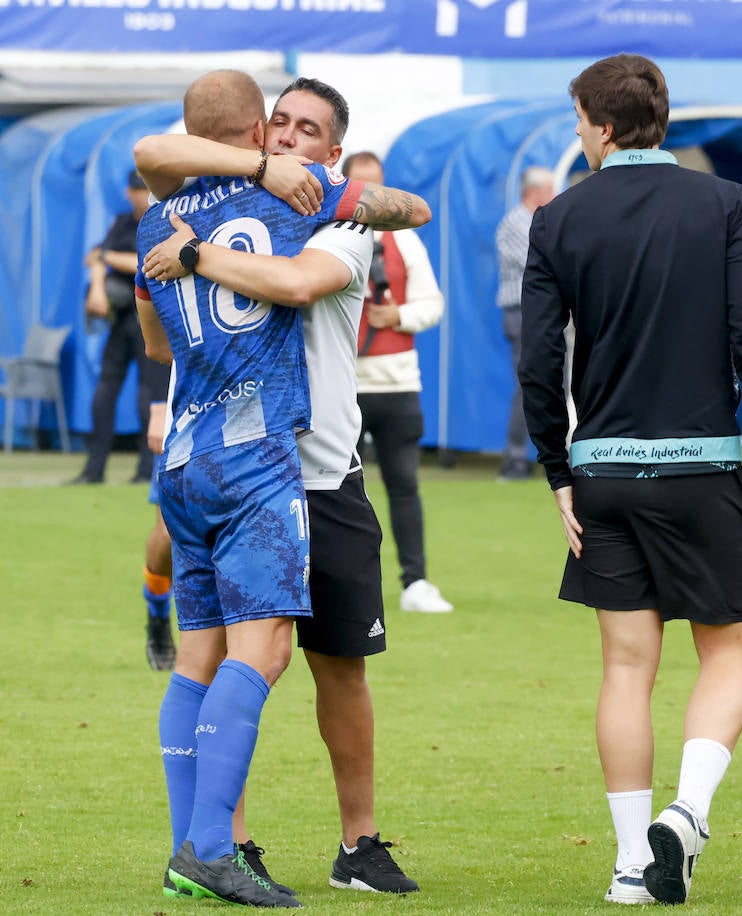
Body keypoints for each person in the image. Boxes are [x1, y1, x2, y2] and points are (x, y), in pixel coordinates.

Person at [136, 75, 430, 899]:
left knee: (336, 667)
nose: (292, 138)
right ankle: (216, 846)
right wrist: (254, 180)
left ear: (332, 150)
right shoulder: (270, 197)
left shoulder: (328, 217)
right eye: (282, 124)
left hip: (315, 471)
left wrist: (194, 256)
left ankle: (357, 843)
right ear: (260, 130)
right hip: (255, 465)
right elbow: (157, 152)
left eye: (309, 130)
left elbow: (298, 284)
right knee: (243, 657)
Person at [518, 54, 742, 906]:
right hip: (703, 468)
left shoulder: (557, 217)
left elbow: (537, 359)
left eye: (576, 123)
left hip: (602, 473)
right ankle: (687, 815)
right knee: (727, 652)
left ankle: (632, 863)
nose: (577, 136)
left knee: (626, 669)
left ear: (601, 126)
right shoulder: (721, 203)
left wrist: (557, 470)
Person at [340, 150, 453, 614]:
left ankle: (416, 582)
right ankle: (346, 584)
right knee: (341, 490)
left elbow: (433, 303)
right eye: (362, 186)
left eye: (379, 186)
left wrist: (398, 315)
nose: (373, 197)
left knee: (404, 484)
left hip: (398, 384)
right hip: (344, 386)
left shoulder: (405, 241)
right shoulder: (327, 236)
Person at [67, 170, 169, 485]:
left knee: (149, 396)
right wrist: (97, 287)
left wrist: (108, 257)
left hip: (152, 317)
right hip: (123, 316)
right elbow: (92, 258)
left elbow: (146, 261)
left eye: (146, 188)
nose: (142, 194)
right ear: (128, 192)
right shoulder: (122, 222)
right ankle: (93, 470)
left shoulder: (161, 218)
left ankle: (145, 472)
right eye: (137, 189)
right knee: (105, 389)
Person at [496, 166, 555, 480]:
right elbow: (545, 263)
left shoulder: (533, 221)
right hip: (522, 313)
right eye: (551, 190)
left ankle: (542, 458)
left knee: (547, 385)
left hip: (536, 314)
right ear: (536, 193)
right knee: (528, 387)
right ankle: (515, 461)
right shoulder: (518, 223)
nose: (555, 196)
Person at [142, 392, 175, 672]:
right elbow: (155, 350)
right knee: (167, 537)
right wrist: (159, 407)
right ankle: (158, 610)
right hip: (185, 406)